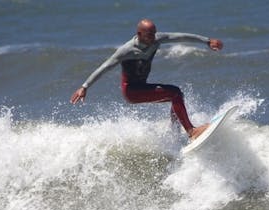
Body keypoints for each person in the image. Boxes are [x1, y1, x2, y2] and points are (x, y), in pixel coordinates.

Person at [70, 19, 223, 139]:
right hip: (132, 92)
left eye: (154, 33)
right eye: (150, 34)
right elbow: (105, 67)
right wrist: (85, 86)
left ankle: (176, 135)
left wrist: (206, 41)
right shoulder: (126, 50)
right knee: (174, 93)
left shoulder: (156, 40)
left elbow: (179, 36)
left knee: (176, 95)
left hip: (142, 86)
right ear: (139, 34)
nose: (153, 37)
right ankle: (191, 131)